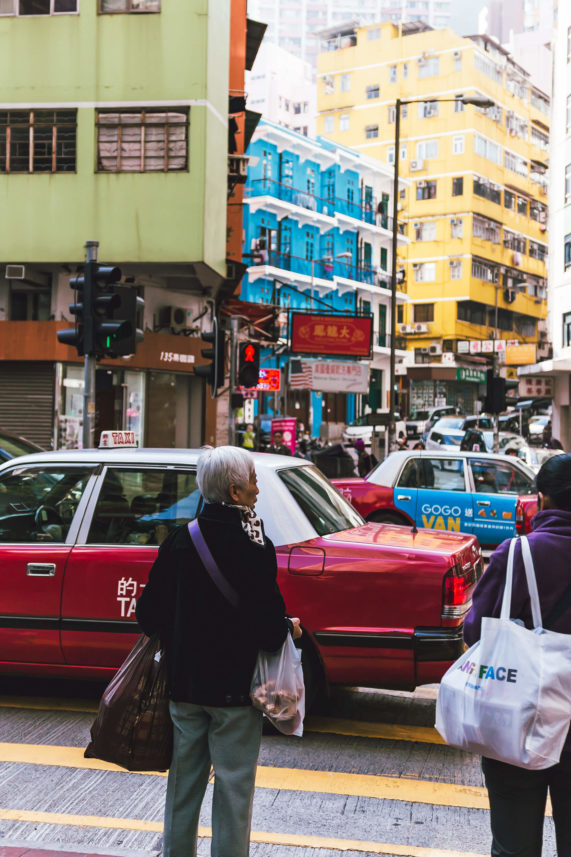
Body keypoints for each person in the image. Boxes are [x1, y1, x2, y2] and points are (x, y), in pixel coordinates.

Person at [136, 446, 302, 857]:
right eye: (253, 481)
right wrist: (288, 628)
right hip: (235, 693)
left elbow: (148, 616)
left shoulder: (178, 540)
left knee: (182, 787)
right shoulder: (255, 546)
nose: (258, 488)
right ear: (235, 490)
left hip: (185, 687)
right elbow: (267, 630)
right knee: (233, 789)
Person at [463, 454, 571, 857]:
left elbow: (476, 631)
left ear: (541, 499)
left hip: (519, 722)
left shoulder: (517, 554)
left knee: (513, 846)